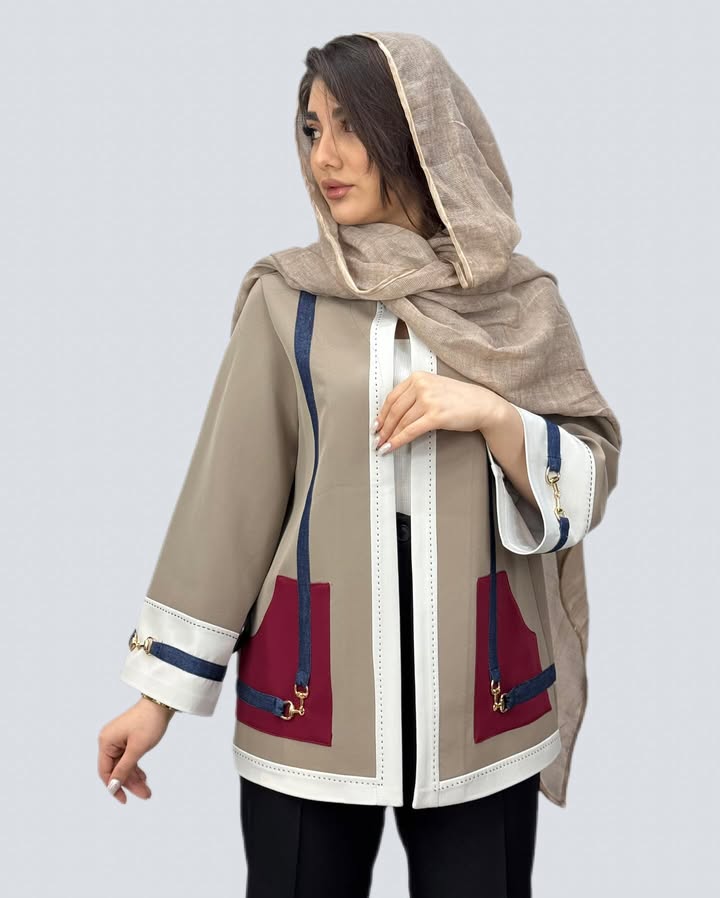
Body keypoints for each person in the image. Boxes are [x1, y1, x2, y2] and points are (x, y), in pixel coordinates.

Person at [97, 31, 622, 897]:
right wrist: (155, 699)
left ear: (415, 133)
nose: (324, 157)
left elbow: (591, 478)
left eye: (349, 126)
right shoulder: (287, 300)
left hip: (483, 696)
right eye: (311, 129)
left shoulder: (519, 302)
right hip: (311, 695)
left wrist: (493, 415)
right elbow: (229, 507)